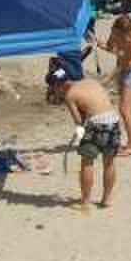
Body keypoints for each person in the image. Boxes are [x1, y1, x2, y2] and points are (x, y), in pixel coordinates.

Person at [46, 67, 121, 211]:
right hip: (114, 121)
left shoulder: (70, 95)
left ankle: (86, 202)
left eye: (54, 88)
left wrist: (81, 137)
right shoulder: (90, 81)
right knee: (109, 163)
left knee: (87, 163)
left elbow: (79, 122)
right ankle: (107, 199)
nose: (55, 92)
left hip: (97, 124)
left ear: (59, 85)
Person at [102, 13, 131, 155]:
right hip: (124, 71)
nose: (127, 37)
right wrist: (98, 43)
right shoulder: (115, 33)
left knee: (125, 110)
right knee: (129, 109)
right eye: (123, 33)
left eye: (129, 33)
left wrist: (107, 80)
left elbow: (122, 63)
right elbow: (111, 48)